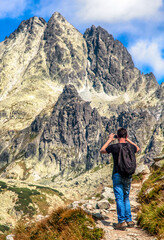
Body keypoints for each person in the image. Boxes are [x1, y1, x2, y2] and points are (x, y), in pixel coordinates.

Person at [100, 127, 140, 230]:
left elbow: (102, 150)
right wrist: (128, 140)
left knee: (119, 198)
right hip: (128, 175)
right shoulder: (131, 147)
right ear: (126, 136)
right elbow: (138, 148)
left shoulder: (115, 147)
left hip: (117, 175)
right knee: (126, 198)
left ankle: (121, 222)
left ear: (117, 136)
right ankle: (129, 220)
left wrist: (110, 139)